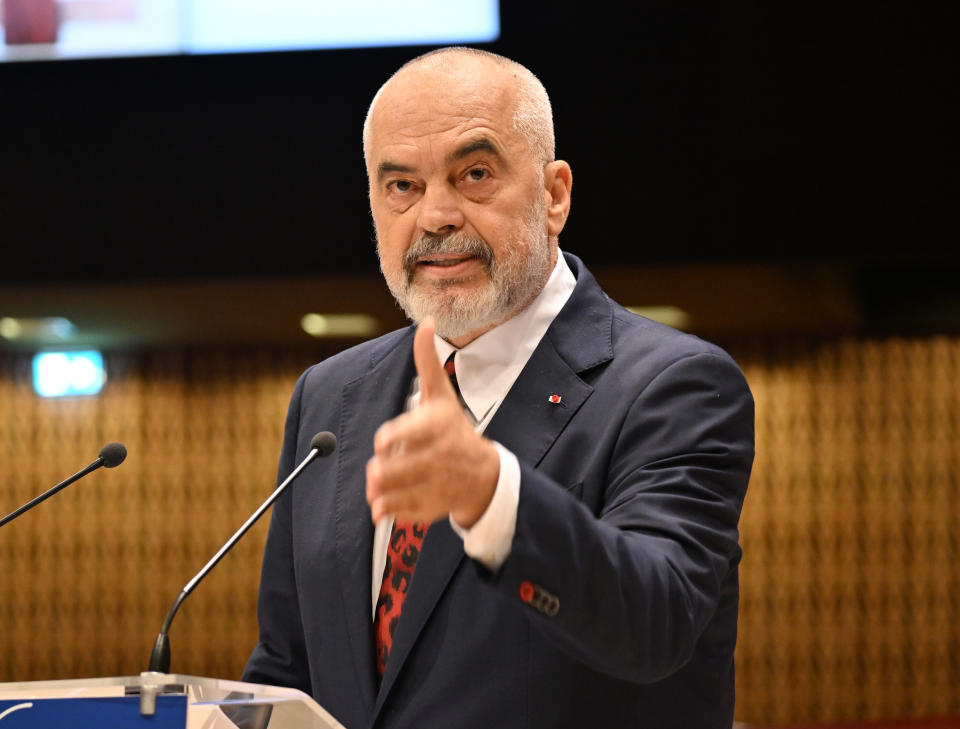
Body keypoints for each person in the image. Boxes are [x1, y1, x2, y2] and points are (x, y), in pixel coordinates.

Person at [243, 46, 755, 729]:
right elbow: (288, 667)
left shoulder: (675, 386)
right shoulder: (329, 397)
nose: (435, 216)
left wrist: (490, 492)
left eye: (474, 174)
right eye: (402, 186)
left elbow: (657, 620)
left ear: (554, 194)